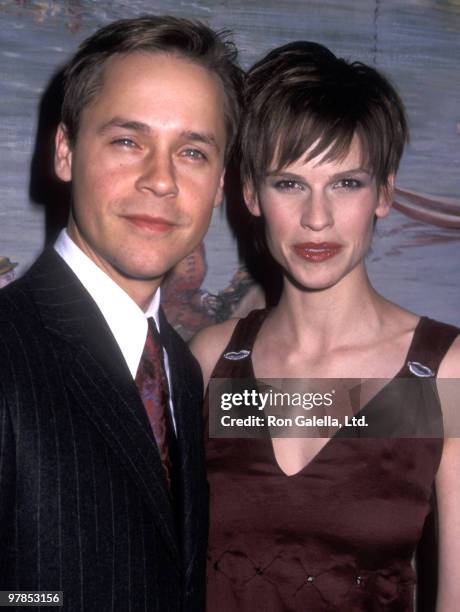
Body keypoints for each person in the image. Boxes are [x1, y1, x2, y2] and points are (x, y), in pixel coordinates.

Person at [191, 41, 460, 611]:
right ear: (250, 194)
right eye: (289, 183)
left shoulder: (446, 372)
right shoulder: (211, 361)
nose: (317, 218)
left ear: (383, 193)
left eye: (346, 183)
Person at [0, 15, 242, 611]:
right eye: (128, 141)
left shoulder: (181, 373)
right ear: (64, 151)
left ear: (219, 186)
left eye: (192, 151)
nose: (161, 180)